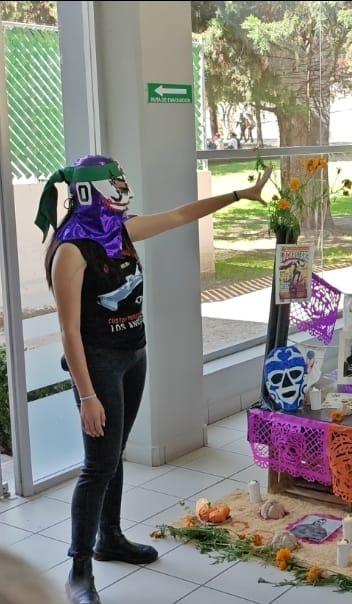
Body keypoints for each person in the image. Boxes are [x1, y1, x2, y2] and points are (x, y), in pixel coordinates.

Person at [36, 155, 271, 604]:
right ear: (89, 192)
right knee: (98, 465)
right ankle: (79, 570)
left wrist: (241, 194)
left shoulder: (119, 231)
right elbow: (68, 331)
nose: (124, 190)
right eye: (116, 183)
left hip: (133, 356)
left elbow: (181, 215)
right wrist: (87, 396)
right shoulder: (71, 250)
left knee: (115, 454)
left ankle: (110, 538)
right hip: (99, 365)